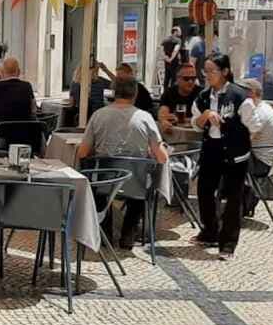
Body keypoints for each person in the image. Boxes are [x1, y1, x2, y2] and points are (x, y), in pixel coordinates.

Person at [78, 76, 169, 249]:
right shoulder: (145, 118)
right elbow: (162, 158)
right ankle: (128, 233)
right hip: (136, 183)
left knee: (98, 185)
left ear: (113, 93)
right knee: (141, 188)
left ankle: (104, 231)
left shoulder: (98, 115)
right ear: (135, 94)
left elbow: (82, 152)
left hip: (105, 182)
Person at [194, 54, 251, 259]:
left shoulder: (239, 96)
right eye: (206, 71)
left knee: (233, 198)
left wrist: (230, 126)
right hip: (211, 148)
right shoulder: (203, 96)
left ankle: (228, 244)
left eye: (212, 71)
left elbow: (253, 125)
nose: (207, 75)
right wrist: (205, 116)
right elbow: (196, 123)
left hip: (235, 152)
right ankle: (210, 231)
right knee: (204, 191)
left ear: (225, 72)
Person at [158, 63, 202, 134]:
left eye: (193, 78)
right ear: (177, 79)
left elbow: (203, 119)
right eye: (186, 78)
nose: (190, 81)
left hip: (196, 134)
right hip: (175, 133)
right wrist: (164, 121)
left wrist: (181, 120)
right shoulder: (169, 92)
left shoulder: (201, 94)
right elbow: (162, 113)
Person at [65, 60, 111, 127]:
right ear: (96, 70)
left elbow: (72, 104)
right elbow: (117, 85)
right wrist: (106, 70)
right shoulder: (100, 81)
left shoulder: (74, 83)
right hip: (98, 117)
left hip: (81, 118)